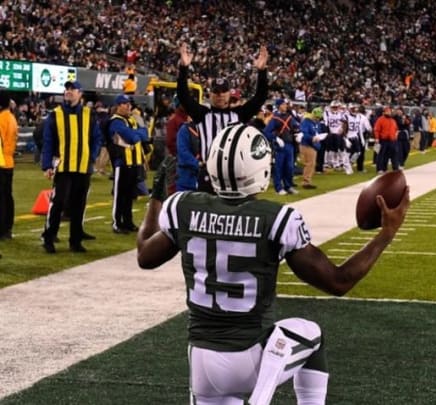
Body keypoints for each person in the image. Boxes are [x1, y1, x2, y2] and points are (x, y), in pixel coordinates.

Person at [136, 123, 409, 405]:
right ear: (260, 168)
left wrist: (156, 198)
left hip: (201, 362)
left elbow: (145, 256)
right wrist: (386, 234)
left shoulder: (181, 206)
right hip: (250, 358)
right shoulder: (277, 219)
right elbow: (338, 282)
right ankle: (261, 397)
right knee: (311, 335)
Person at [176, 42, 268, 192]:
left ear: (229, 93)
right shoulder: (202, 114)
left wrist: (262, 72)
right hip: (209, 172)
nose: (219, 95)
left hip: (234, 173)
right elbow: (183, 95)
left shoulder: (238, 114)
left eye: (223, 91)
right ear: (210, 94)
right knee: (206, 211)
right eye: (216, 92)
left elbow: (260, 97)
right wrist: (183, 68)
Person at [41, 80, 102, 253]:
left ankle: (75, 240)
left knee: (79, 204)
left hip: (83, 167)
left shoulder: (89, 114)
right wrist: (47, 165)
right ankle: (49, 236)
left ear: (80, 93)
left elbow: (97, 137)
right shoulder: (56, 114)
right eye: (67, 89)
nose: (68, 91)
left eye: (72, 89)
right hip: (63, 166)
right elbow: (48, 141)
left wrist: (92, 155)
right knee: (58, 202)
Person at [106, 94, 149, 234]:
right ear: (118, 106)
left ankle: (128, 221)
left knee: (130, 195)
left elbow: (144, 134)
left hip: (134, 162)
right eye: (124, 103)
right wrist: (137, 134)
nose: (128, 106)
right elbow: (132, 137)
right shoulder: (115, 121)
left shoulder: (131, 119)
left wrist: (136, 134)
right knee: (120, 195)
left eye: (128, 103)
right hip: (122, 162)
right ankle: (117, 222)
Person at [264, 98, 301, 195]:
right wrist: (275, 138)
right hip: (279, 146)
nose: (286, 106)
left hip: (289, 145)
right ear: (279, 106)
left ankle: (288, 186)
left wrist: (298, 134)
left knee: (289, 167)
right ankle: (278, 188)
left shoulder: (289, 116)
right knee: (279, 167)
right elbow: (266, 132)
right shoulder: (274, 118)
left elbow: (296, 127)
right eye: (284, 104)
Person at [0, 90, 18, 240]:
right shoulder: (11, 117)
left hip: (1, 162)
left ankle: (2, 229)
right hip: (8, 162)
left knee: (2, 198)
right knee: (7, 196)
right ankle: (7, 228)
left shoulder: (1, 119)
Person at [298, 107, 324, 189]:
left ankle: (307, 181)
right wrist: (311, 138)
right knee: (309, 164)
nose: (317, 119)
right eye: (316, 117)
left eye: (319, 118)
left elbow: (318, 132)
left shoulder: (317, 123)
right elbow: (304, 133)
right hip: (307, 145)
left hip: (313, 145)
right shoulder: (306, 121)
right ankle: (306, 182)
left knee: (312, 164)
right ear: (313, 114)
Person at [373, 106, 400, 173]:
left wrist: (395, 136)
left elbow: (396, 129)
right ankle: (380, 169)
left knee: (390, 155)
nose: (389, 112)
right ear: (384, 112)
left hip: (392, 140)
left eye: (389, 111)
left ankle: (391, 168)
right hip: (383, 140)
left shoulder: (392, 120)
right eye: (387, 111)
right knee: (381, 155)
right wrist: (377, 138)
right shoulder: (380, 120)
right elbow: (376, 130)